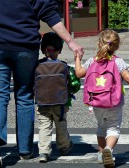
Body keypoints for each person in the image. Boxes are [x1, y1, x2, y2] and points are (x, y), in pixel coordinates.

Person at [0, 0, 84, 167]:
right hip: (24, 44)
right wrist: (70, 41)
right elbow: (49, 13)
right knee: (24, 94)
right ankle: (24, 150)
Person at [74, 29, 129, 168]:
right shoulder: (118, 62)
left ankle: (101, 155)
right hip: (114, 103)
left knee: (101, 127)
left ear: (99, 44)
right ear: (116, 46)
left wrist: (77, 58)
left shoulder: (92, 61)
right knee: (113, 128)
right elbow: (128, 78)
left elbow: (78, 73)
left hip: (96, 102)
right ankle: (108, 149)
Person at [36, 32, 79, 162]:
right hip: (60, 103)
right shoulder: (63, 66)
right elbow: (74, 83)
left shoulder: (37, 66)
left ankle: (43, 152)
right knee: (61, 125)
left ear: (42, 49)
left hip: (42, 102)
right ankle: (64, 147)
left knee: (44, 126)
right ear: (59, 50)